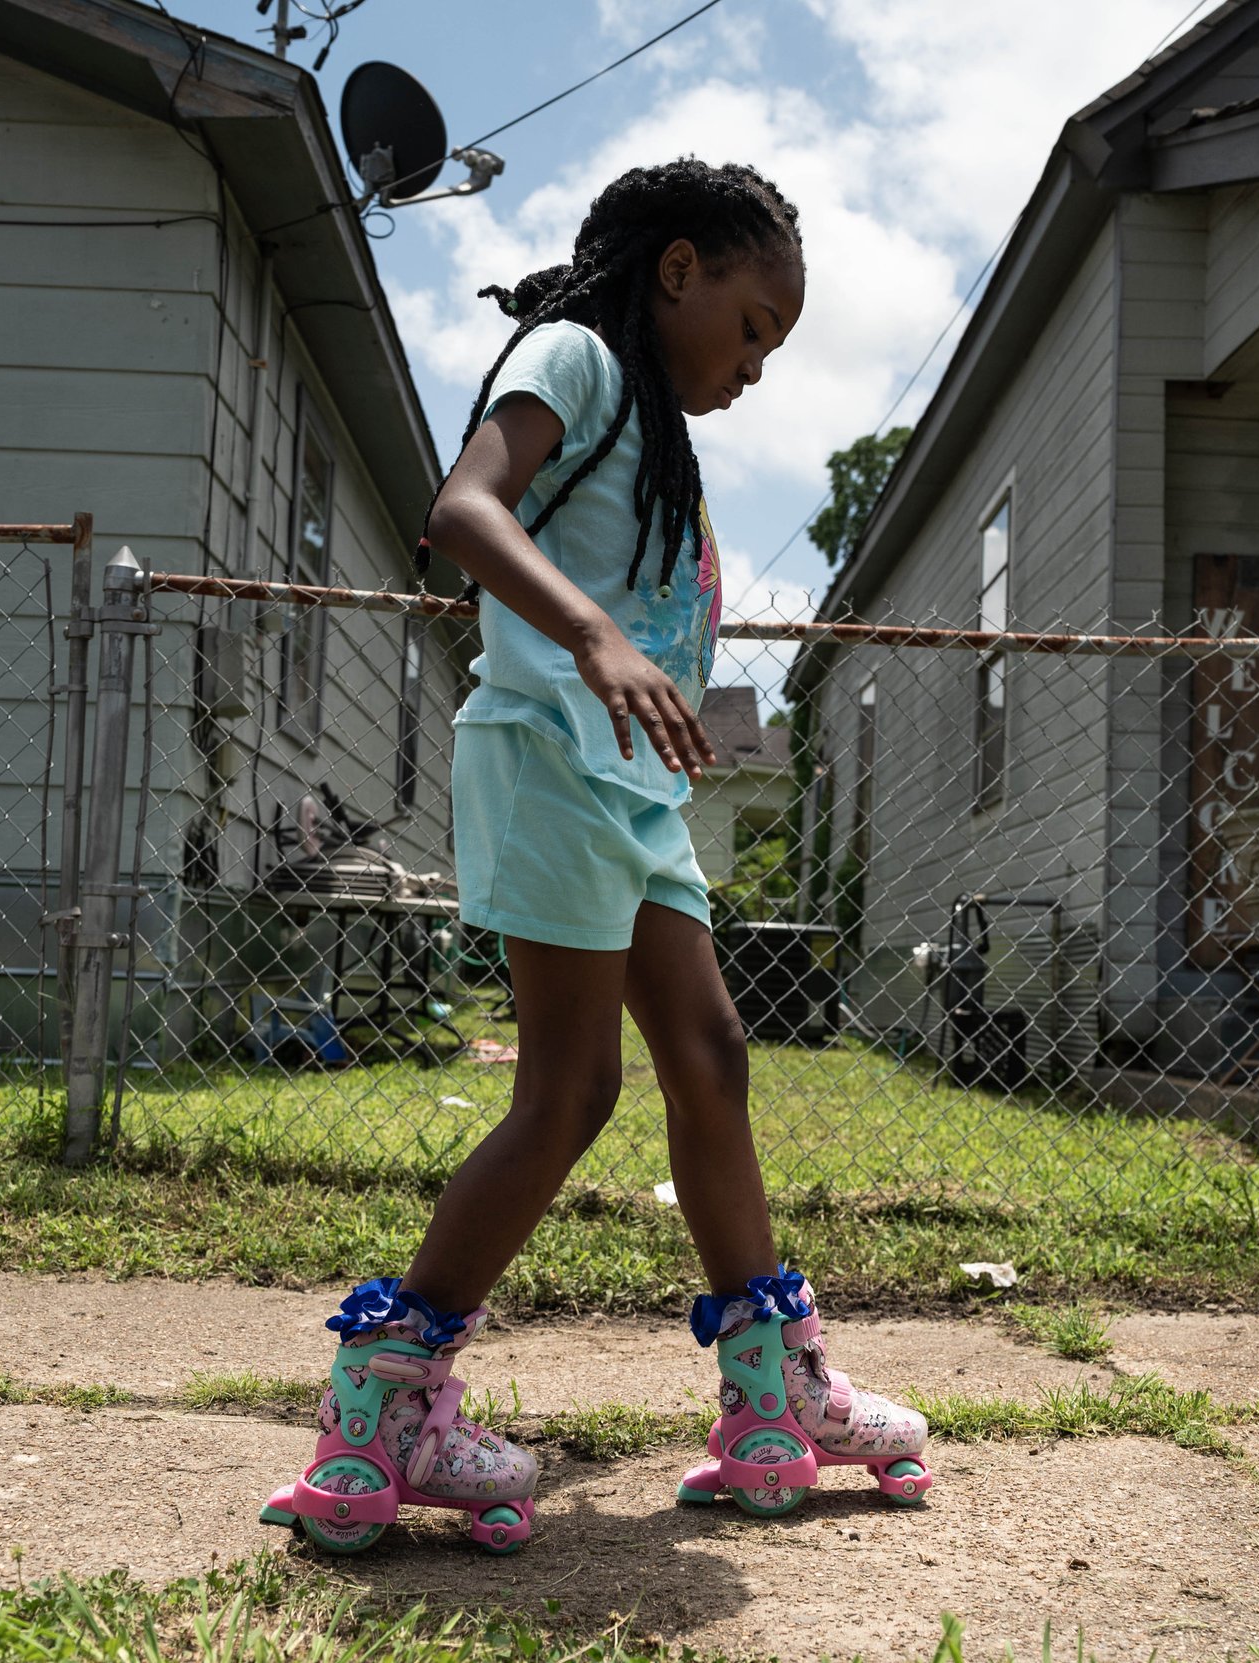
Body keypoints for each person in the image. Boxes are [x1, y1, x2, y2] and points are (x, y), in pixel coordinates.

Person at [259, 158, 932, 1558]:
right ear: (678, 269)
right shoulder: (572, 353)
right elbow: (466, 512)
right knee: (570, 1091)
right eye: (752, 326)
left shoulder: (664, 439)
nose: (755, 367)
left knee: (714, 1057)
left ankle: (774, 1397)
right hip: (551, 756)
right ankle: (383, 1404)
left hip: (631, 796)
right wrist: (597, 640)